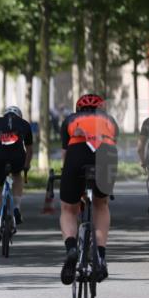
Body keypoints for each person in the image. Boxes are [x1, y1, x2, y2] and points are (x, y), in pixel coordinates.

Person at [59, 93, 119, 285]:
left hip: (76, 153)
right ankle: (100, 257)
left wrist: (69, 176)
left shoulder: (70, 120)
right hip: (107, 154)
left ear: (79, 110)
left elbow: (65, 156)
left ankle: (71, 248)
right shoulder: (110, 121)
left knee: (68, 208)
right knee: (101, 204)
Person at [0, 105, 33, 242]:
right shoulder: (24, 124)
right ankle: (16, 207)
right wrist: (26, 165)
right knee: (17, 176)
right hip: (18, 158)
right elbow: (29, 150)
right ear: (19, 115)